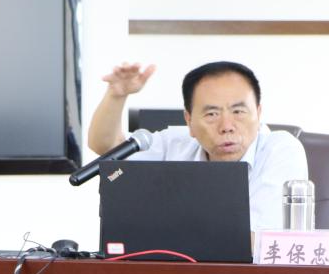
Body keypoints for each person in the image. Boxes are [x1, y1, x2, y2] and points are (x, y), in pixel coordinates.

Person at [87, 60, 308, 232]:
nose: (227, 126)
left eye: (238, 112)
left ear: (258, 114)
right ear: (189, 120)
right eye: (212, 114)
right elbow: (108, 148)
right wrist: (117, 95)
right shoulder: (176, 143)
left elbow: (259, 239)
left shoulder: (281, 150)